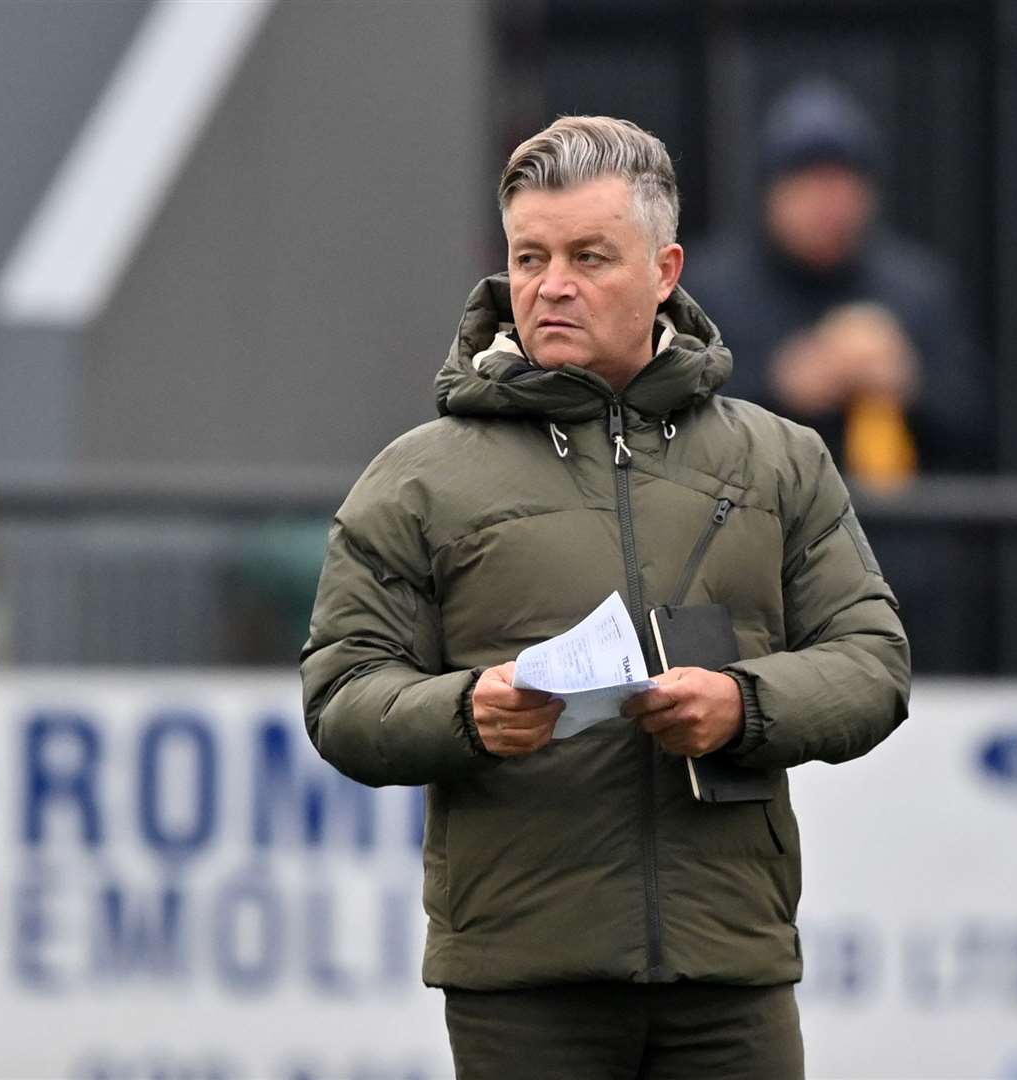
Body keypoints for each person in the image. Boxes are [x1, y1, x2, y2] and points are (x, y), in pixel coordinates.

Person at [300, 116, 910, 1079]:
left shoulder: (781, 460)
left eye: (590, 255)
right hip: (523, 979)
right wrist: (468, 711)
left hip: (731, 972)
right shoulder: (415, 480)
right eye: (529, 256)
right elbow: (341, 699)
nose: (552, 284)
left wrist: (743, 706)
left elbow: (873, 663)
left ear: (665, 270)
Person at [684, 79, 989, 485]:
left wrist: (910, 384)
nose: (829, 209)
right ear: (770, 194)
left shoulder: (917, 287)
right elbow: (672, 423)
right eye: (809, 188)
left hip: (895, 534)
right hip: (758, 523)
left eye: (843, 188)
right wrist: (780, 385)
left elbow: (979, 423)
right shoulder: (710, 287)